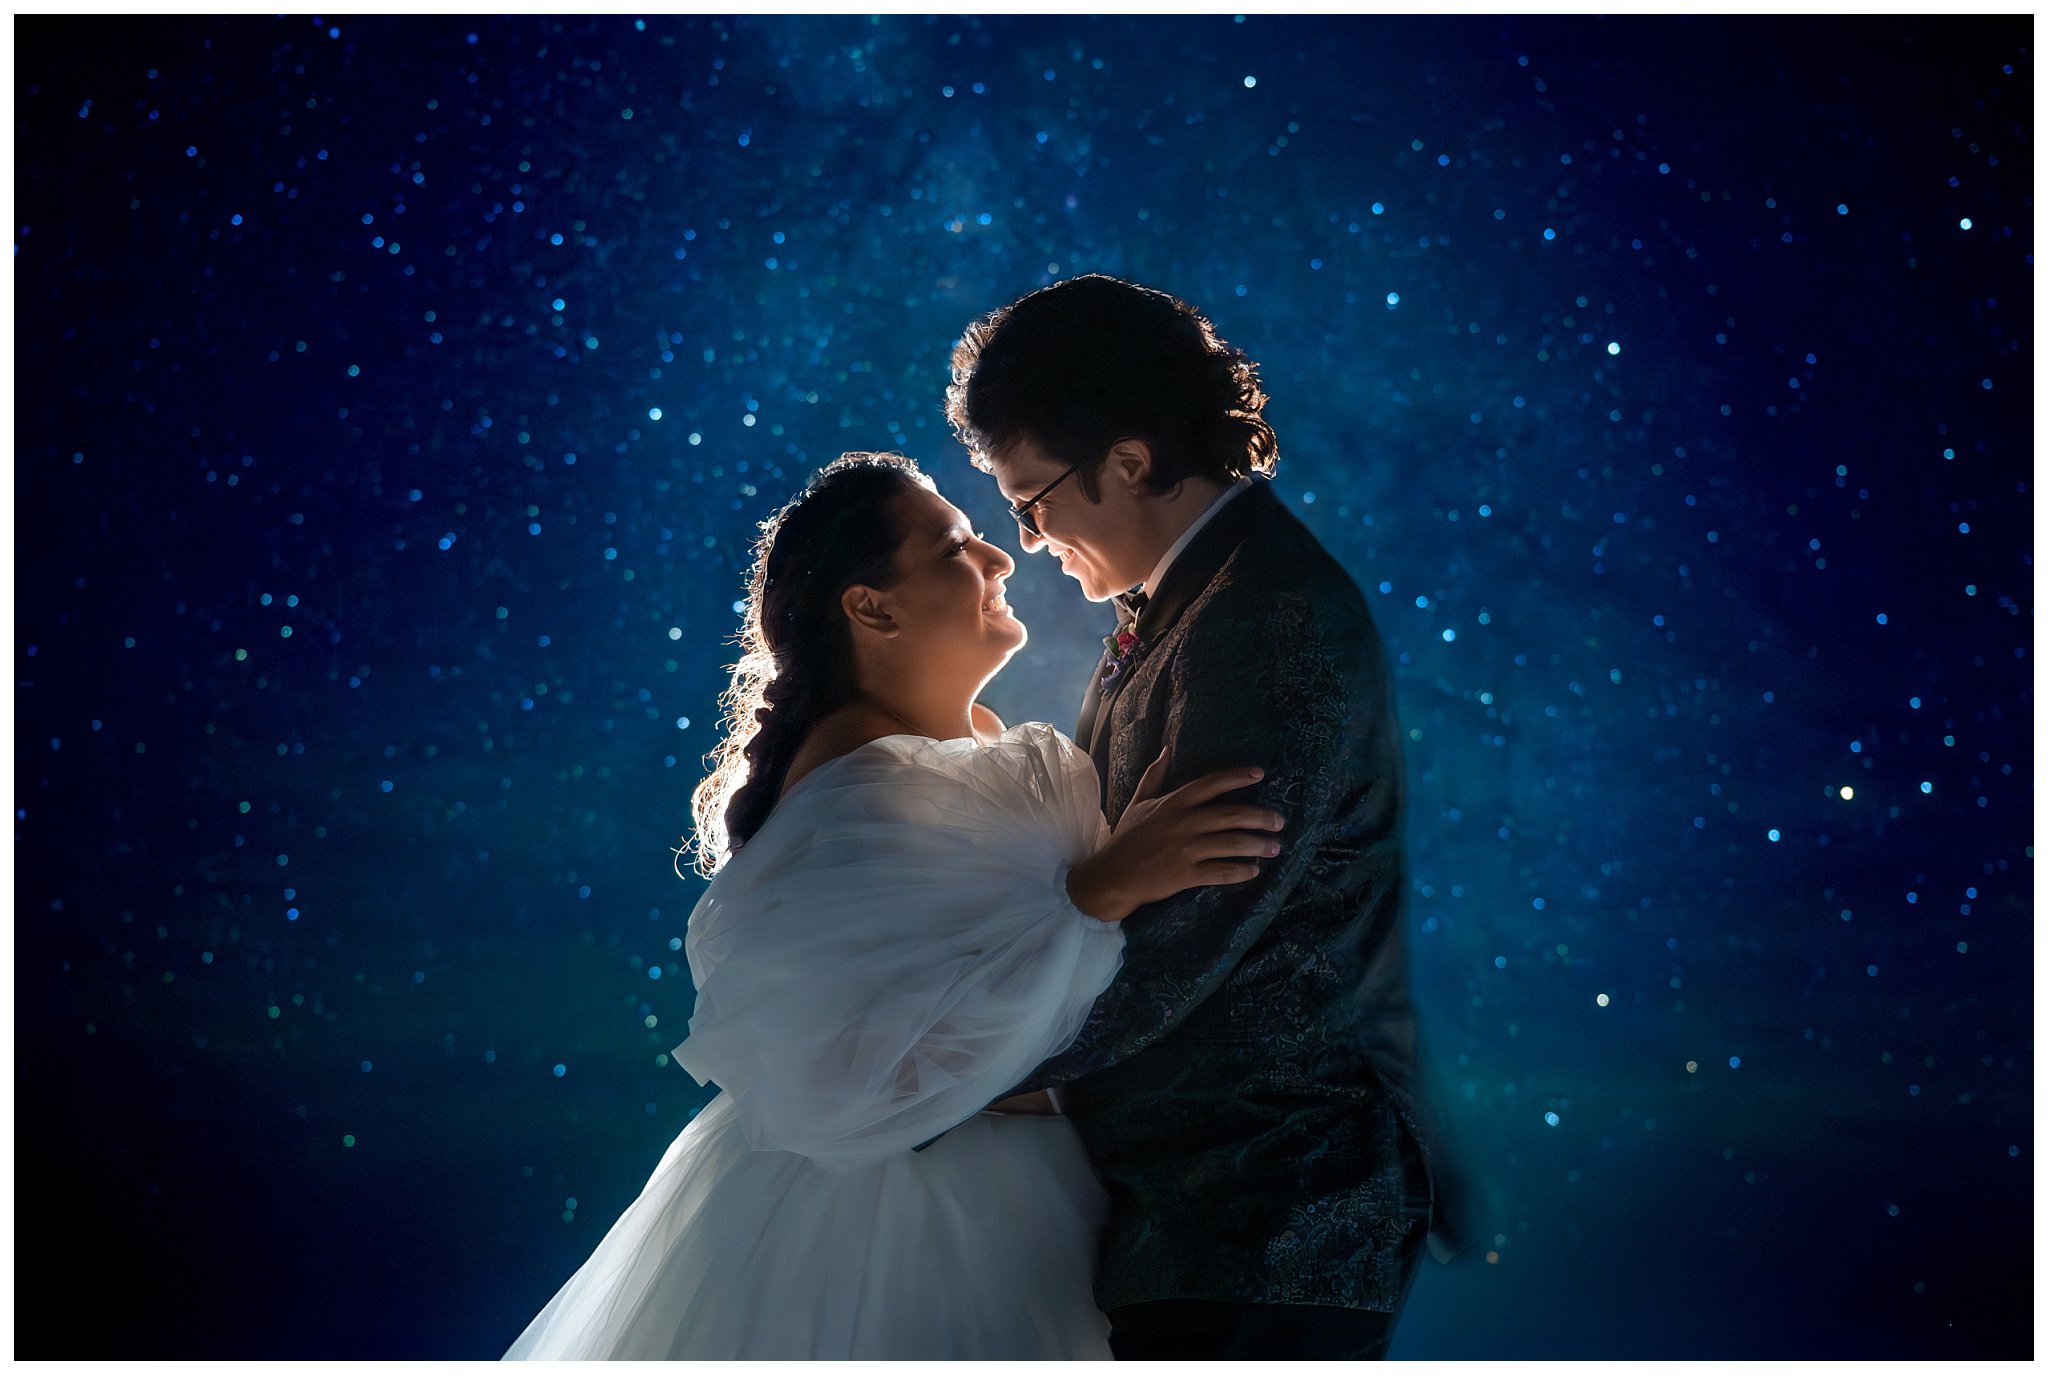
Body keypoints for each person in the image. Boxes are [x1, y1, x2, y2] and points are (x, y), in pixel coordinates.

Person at [501, 452, 1284, 1360]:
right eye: (957, 546)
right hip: (892, 1231)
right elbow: (855, 1081)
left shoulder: (943, 754)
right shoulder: (854, 796)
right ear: (872, 607)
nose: (1001, 557)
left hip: (1038, 1201)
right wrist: (1103, 888)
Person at [947, 274, 1467, 1360]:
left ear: (1129, 462)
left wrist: (942, 1067)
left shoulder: (1263, 619)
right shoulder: (1197, 600)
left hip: (1268, 1217)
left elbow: (1176, 941)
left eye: (1030, 502)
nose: (1029, 542)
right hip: (1197, 1213)